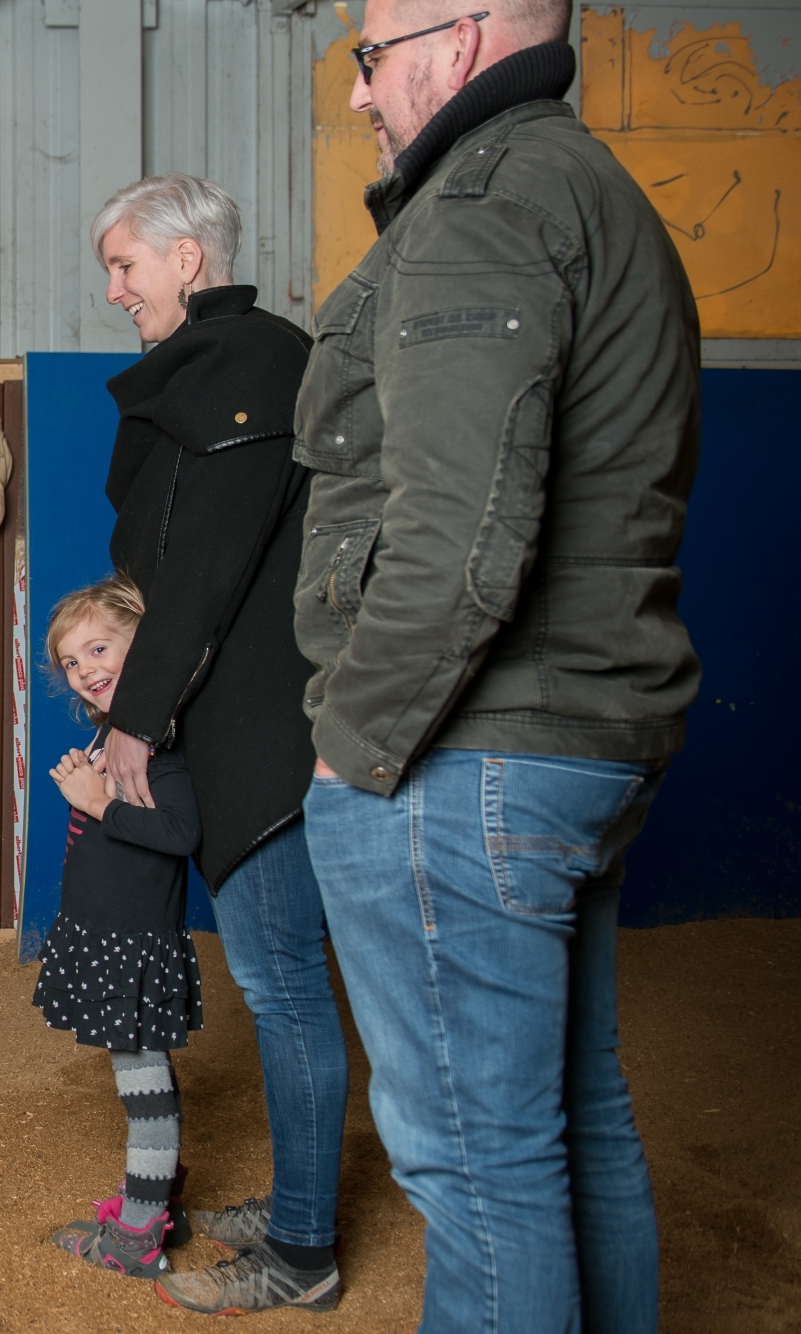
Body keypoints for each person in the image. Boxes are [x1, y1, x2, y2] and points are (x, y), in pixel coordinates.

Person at [294, 0, 700, 1327]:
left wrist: (353, 740)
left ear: (455, 44)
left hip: (467, 760)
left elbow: (463, 529)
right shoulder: (591, 190)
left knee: (476, 1168)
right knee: (568, 1132)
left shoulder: (483, 199)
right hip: (573, 739)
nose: (359, 94)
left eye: (370, 57)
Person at [86, 173, 346, 1314]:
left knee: (285, 988)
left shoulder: (249, 362)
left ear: (187, 260)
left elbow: (201, 569)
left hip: (269, 738)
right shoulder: (218, 368)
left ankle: (302, 1250)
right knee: (278, 982)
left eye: (124, 265)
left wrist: (134, 717)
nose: (112, 290)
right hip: (234, 721)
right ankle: (299, 1200)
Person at [33, 577, 204, 1281]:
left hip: (131, 943)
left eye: (100, 648)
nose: (85, 669)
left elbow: (179, 830)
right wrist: (88, 781)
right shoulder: (116, 731)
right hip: (104, 934)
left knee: (145, 1088)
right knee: (137, 1076)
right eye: (73, 661)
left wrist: (97, 802)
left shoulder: (159, 739)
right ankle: (155, 1199)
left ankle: (136, 1237)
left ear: (145, 645)